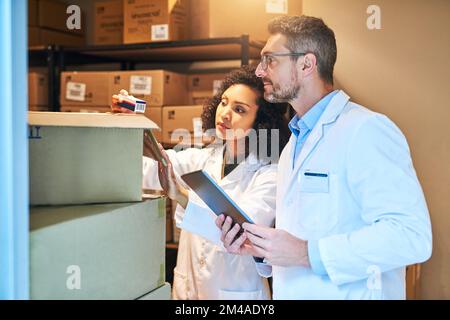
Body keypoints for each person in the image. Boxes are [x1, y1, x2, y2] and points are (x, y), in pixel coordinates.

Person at [217, 15, 432, 300]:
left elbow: (411, 236)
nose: (259, 71)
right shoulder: (294, 143)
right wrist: (262, 250)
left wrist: (306, 253)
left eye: (270, 60)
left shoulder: (366, 129)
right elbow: (300, 238)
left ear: (306, 64)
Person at [112, 66, 290, 300]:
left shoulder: (270, 174)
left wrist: (181, 195)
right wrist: (132, 126)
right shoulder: (204, 158)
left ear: (262, 122)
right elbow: (153, 168)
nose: (225, 114)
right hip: (188, 290)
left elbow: (238, 230)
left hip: (234, 295)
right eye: (224, 102)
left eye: (239, 109)